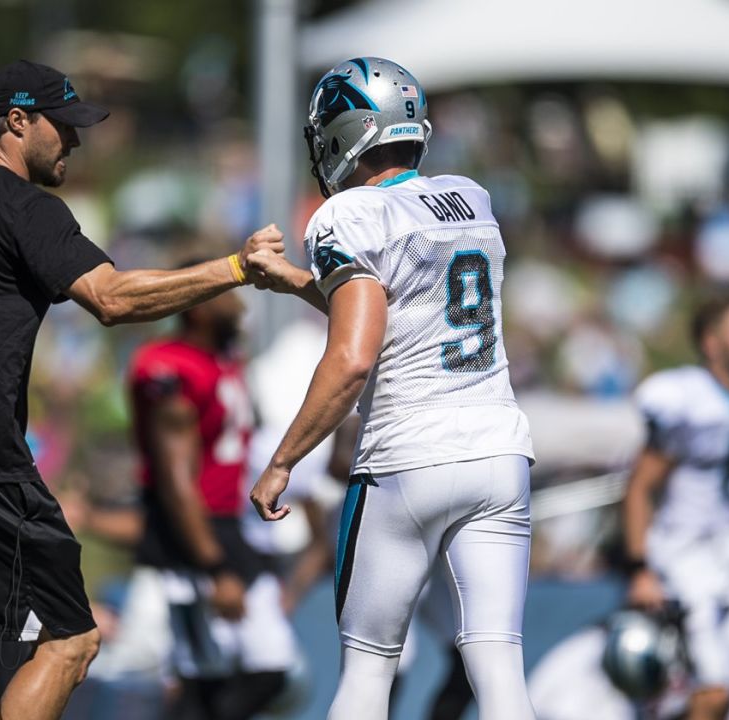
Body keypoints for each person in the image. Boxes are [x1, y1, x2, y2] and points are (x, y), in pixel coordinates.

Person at [0, 60, 284, 720]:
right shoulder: (27, 208)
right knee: (72, 639)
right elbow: (111, 299)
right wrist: (234, 268)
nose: (75, 143)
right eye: (65, 127)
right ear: (18, 122)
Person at [245, 56, 537, 720]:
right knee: (498, 664)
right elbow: (396, 312)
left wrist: (284, 460)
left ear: (347, 132)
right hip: (498, 451)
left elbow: (354, 355)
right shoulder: (471, 198)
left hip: (408, 456)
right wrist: (295, 280)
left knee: (368, 672)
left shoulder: (348, 215)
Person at [126, 277, 296, 719]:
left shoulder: (226, 361)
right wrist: (214, 564)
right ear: (198, 308)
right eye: (225, 295)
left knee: (264, 668)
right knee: (204, 676)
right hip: (189, 533)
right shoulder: (170, 366)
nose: (239, 304)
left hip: (228, 524)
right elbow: (175, 477)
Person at [622, 295, 729, 720]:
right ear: (711, 343)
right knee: (716, 689)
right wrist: (640, 569)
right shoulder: (687, 398)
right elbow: (641, 487)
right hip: (683, 558)